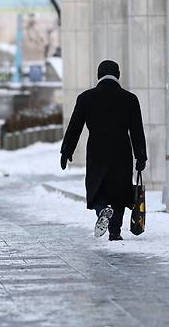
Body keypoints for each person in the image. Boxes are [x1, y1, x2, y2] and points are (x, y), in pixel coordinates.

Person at [60, 60, 147, 241]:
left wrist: (66, 151)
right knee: (120, 190)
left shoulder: (86, 98)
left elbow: (75, 126)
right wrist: (141, 156)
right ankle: (115, 231)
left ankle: (102, 210)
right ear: (118, 75)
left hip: (97, 150)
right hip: (121, 151)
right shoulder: (130, 99)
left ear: (98, 75)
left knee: (96, 186)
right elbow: (137, 130)